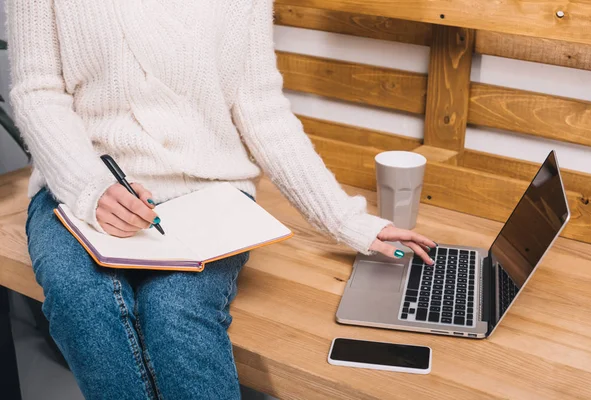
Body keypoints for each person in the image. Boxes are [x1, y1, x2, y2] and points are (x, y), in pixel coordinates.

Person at [8, 1, 436, 399]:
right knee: (81, 297)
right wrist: (90, 187)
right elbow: (37, 91)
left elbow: (257, 103)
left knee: (175, 312)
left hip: (208, 190)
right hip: (77, 182)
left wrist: (346, 220)